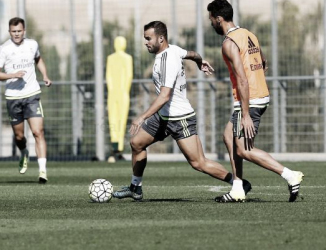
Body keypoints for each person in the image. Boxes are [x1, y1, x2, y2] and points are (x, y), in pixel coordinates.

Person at [113, 21, 251, 201]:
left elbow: (164, 96)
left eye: (148, 38)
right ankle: (135, 187)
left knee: (198, 163)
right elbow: (192, 54)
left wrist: (141, 118)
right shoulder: (174, 50)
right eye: (145, 38)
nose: (146, 42)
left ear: (161, 38)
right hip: (163, 117)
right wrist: (201, 62)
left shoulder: (167, 61)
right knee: (137, 143)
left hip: (180, 119)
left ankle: (238, 183)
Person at [207, 0, 304, 202]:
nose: (211, 24)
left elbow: (242, 79)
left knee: (244, 149)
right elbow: (263, 60)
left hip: (250, 100)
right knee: (228, 136)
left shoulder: (229, 42)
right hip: (257, 95)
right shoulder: (248, 34)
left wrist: (246, 114)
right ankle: (237, 188)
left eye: (211, 20)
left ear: (219, 19)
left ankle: (290, 175)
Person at [0, 17, 51, 184]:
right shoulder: (4, 49)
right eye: (14, 31)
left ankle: (42, 171)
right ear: (9, 32)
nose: (17, 34)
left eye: (19, 31)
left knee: (38, 132)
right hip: (13, 98)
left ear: (24, 31)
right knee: (19, 136)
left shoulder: (32, 44)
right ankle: (24, 152)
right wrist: (12, 75)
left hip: (32, 94)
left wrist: (45, 75)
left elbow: (38, 59)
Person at [106, 36, 133, 163]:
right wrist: (122, 90)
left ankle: (117, 149)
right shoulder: (124, 58)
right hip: (120, 93)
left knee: (117, 121)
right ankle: (116, 149)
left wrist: (115, 90)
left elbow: (110, 77)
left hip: (117, 93)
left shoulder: (120, 58)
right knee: (117, 121)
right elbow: (128, 75)